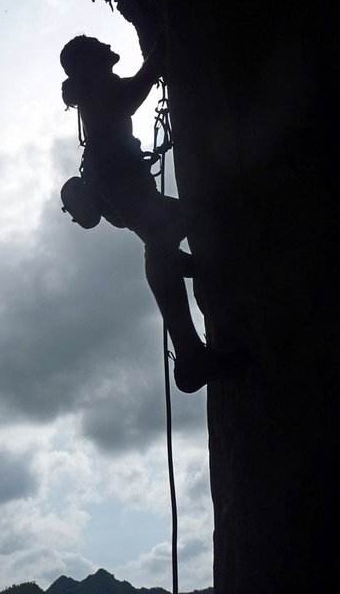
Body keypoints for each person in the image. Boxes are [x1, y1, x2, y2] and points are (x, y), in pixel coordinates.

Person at [60, 35, 248, 393]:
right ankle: (191, 353)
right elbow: (131, 96)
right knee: (172, 232)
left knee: (181, 225)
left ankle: (184, 270)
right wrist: (161, 49)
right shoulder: (98, 83)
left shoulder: (89, 88)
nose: (106, 44)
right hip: (118, 178)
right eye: (97, 44)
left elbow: (128, 96)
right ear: (89, 60)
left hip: (113, 181)